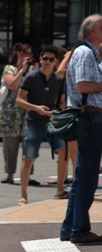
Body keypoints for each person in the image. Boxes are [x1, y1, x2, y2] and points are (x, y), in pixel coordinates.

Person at [60, 14, 102, 244]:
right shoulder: (86, 53)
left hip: (89, 118)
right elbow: (83, 85)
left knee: (82, 175)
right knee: (87, 176)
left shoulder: (89, 53)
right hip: (92, 118)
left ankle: (70, 227)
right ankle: (79, 230)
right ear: (92, 31)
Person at [16, 45, 66, 207]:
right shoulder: (31, 77)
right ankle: (23, 196)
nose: (47, 62)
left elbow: (62, 102)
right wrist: (36, 108)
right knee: (28, 158)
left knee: (63, 152)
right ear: (40, 59)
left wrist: (59, 113)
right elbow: (19, 100)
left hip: (52, 122)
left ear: (56, 62)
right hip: (33, 122)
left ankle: (59, 189)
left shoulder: (59, 80)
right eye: (45, 58)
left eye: (51, 59)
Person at [0, 43, 35, 185]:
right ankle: (10, 174)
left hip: (27, 110)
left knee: (29, 144)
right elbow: (12, 85)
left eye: (30, 54)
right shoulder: (9, 69)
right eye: (26, 54)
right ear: (18, 53)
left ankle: (28, 176)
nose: (28, 57)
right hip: (10, 112)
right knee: (10, 146)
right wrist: (22, 70)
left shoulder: (33, 70)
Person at [55, 44, 79, 185]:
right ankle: (78, 182)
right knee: (73, 152)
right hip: (76, 112)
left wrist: (69, 55)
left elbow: (60, 71)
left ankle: (78, 183)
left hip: (80, 112)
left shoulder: (78, 67)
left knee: (75, 152)